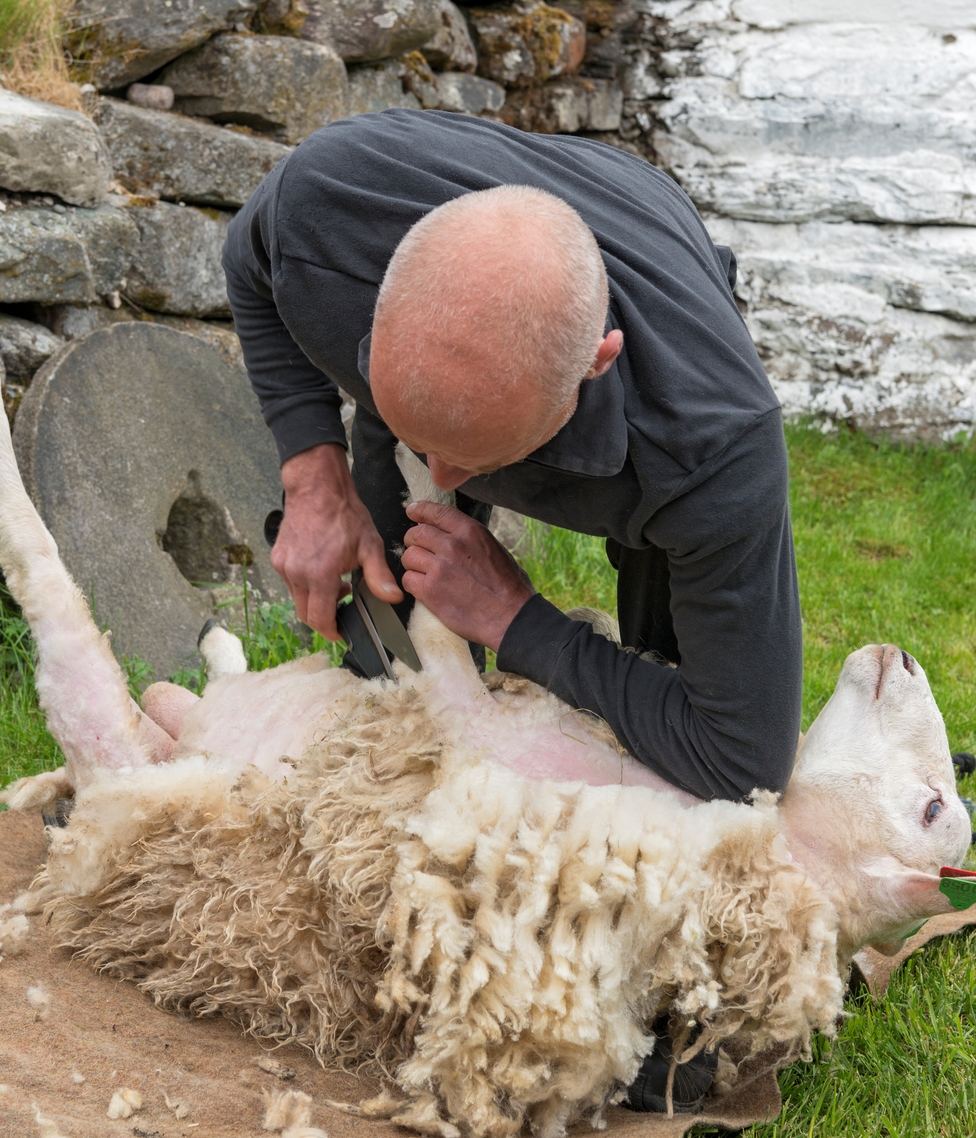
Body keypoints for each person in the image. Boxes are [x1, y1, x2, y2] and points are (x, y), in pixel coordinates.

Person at [222, 107, 801, 809]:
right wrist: (313, 475)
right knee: (394, 660)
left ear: (595, 363)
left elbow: (741, 759)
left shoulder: (714, 454)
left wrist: (515, 619)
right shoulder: (325, 203)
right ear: (378, 304)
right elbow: (246, 260)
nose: (439, 480)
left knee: (674, 726)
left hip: (658, 367)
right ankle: (412, 664)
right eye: (423, 442)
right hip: (445, 322)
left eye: (473, 462)